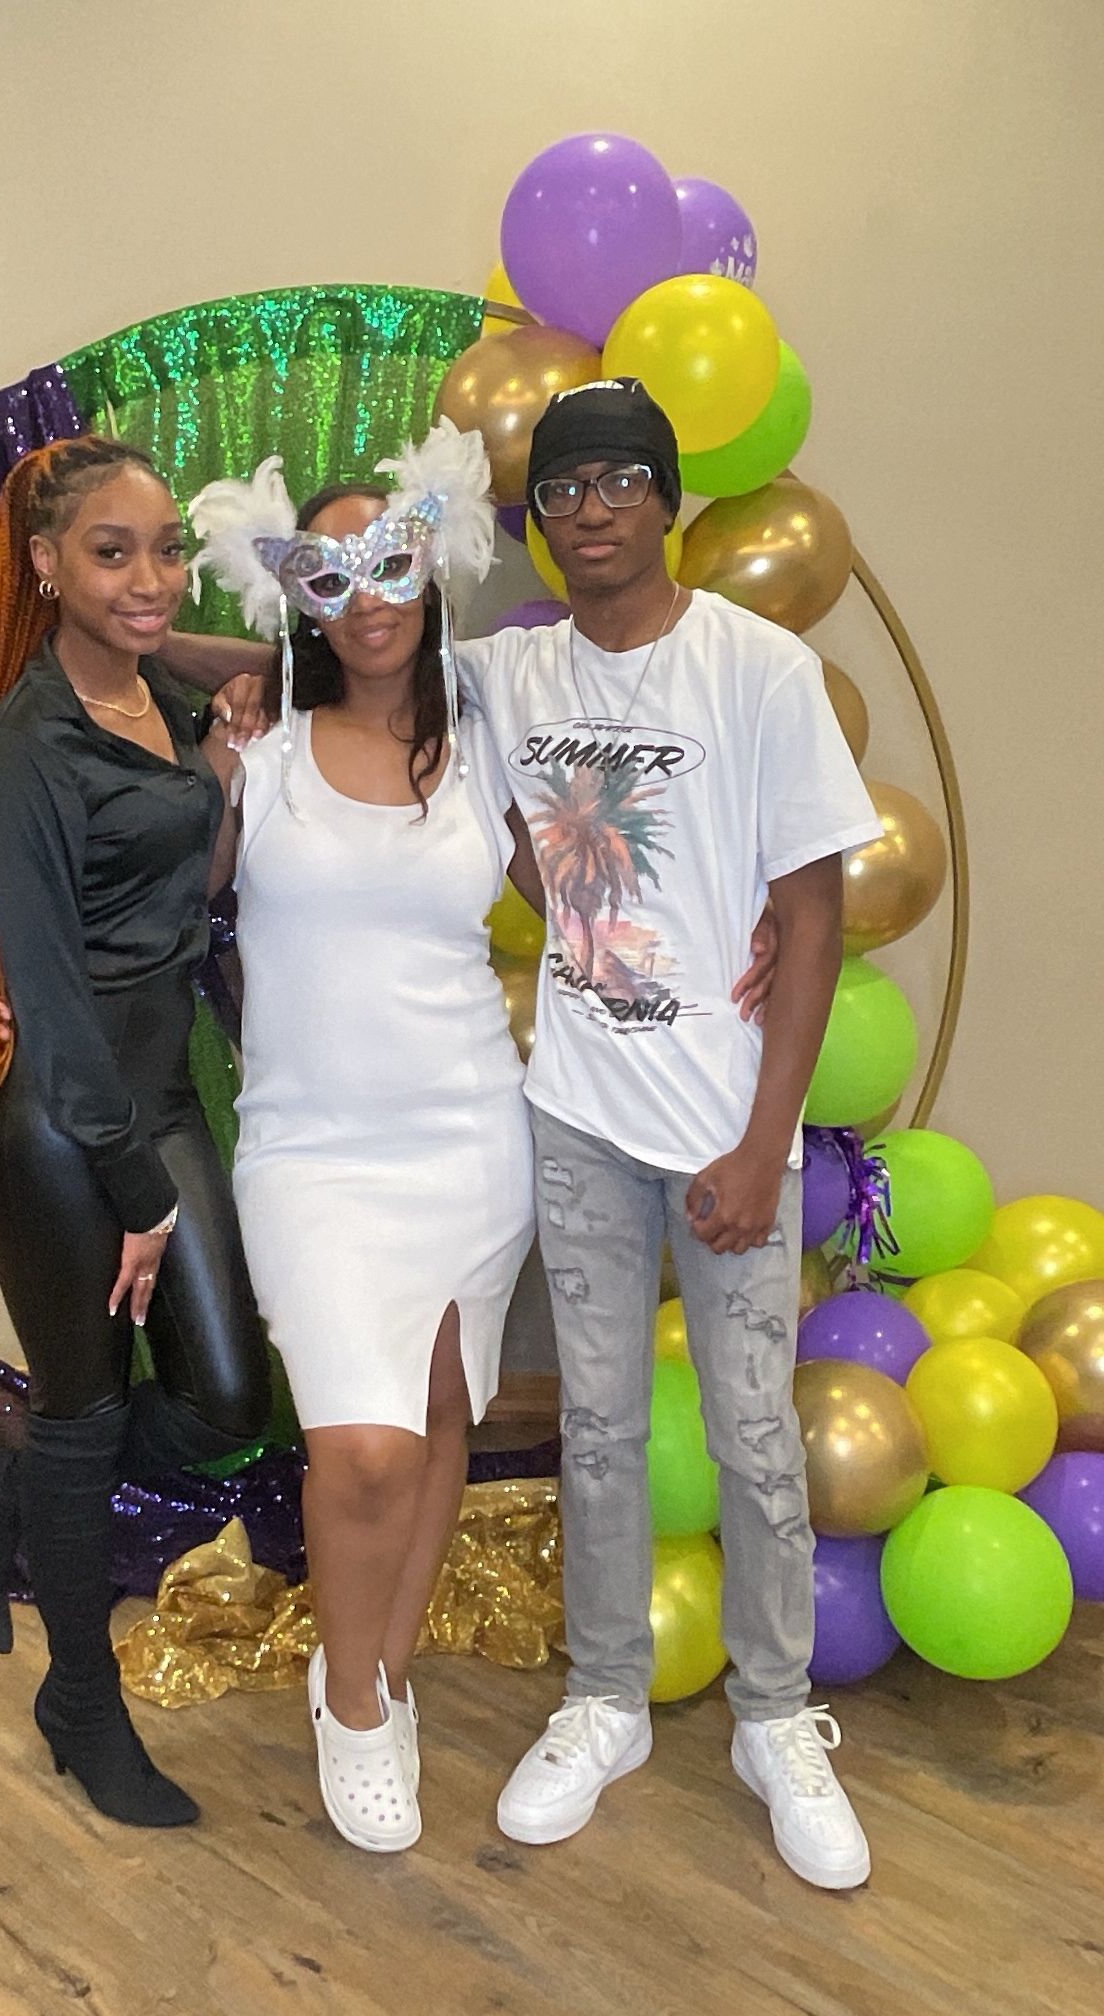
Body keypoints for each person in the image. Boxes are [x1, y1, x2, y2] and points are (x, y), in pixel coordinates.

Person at [452, 379, 882, 1888]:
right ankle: (606, 1699)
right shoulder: (506, 677)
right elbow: (335, 653)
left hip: (725, 1130)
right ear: (540, 520)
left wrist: (766, 1145)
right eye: (563, 488)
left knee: (757, 1435)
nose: (590, 510)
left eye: (621, 480)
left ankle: (775, 1716)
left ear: (670, 499)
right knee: (597, 1428)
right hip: (579, 1115)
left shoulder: (761, 669)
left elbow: (813, 917)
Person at [188, 423, 536, 1852]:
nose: (369, 596)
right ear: (293, 597)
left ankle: (387, 1679)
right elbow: (179, 900)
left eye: (393, 560)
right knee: (365, 1449)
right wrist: (234, 702)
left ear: (434, 561)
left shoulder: (489, 730)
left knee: (443, 1412)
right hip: (312, 1156)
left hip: (470, 1135)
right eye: (328, 575)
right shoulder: (255, 752)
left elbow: (595, 885)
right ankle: (344, 1700)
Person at [0, 435, 272, 1829]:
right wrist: (134, 1188)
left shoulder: (152, 694)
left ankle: (11, 1490)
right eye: (110, 552)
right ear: (44, 564)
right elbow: (51, 997)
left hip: (159, 1090)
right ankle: (80, 1697)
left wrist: (213, 731)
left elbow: (200, 875)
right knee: (86, 1411)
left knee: (227, 1402)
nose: (151, 577)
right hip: (61, 1123)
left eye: (167, 549)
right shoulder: (27, 743)